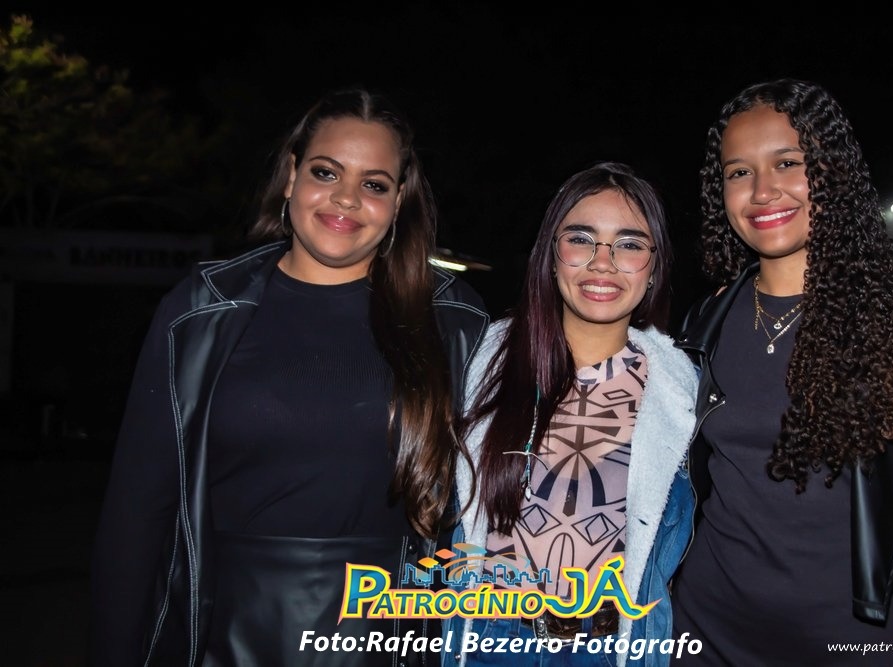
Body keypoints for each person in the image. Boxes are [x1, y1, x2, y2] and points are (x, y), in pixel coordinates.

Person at [89, 87, 490, 666]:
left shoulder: (453, 319)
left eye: (375, 184)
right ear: (291, 176)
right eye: (326, 172)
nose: (346, 198)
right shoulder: (199, 311)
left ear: (399, 200)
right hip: (220, 635)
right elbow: (137, 514)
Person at [670, 79, 893, 666]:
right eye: (738, 172)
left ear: (832, 171)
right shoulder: (706, 322)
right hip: (704, 630)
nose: (762, 190)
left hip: (850, 641)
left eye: (787, 163)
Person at [442, 161, 699, 667]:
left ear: (654, 267)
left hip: (611, 647)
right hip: (490, 640)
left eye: (629, 244)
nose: (603, 263)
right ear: (551, 255)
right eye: (581, 239)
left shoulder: (683, 388)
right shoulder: (482, 359)